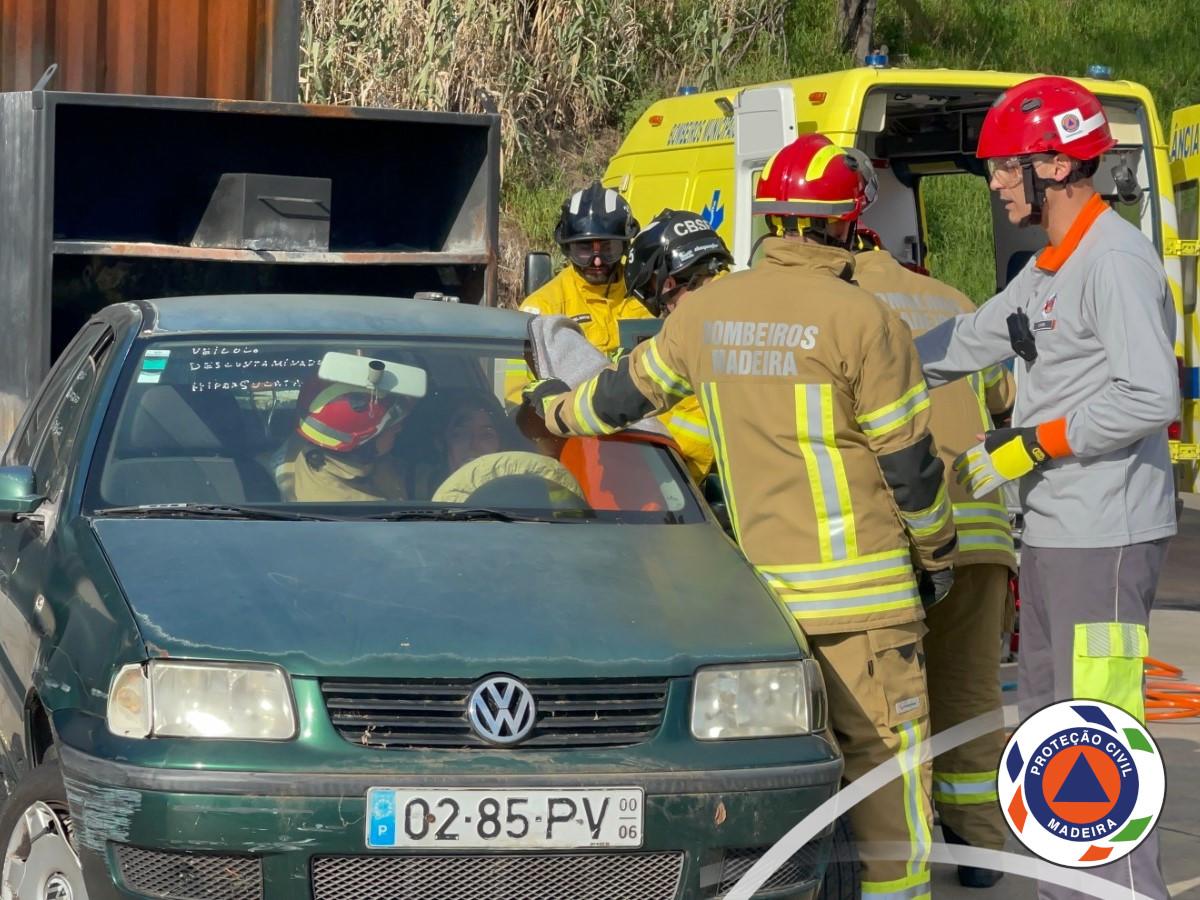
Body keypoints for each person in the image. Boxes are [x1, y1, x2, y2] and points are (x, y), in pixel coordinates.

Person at [525, 133, 957, 900]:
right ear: (847, 225)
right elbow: (912, 471)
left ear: (772, 220)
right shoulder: (867, 320)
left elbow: (619, 399)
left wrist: (550, 412)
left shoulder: (706, 315)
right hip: (867, 607)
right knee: (889, 781)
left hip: (761, 603)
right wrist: (938, 557)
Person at [915, 75, 1178, 900]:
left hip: (1108, 531)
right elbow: (966, 338)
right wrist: (855, 347)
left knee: (1093, 736)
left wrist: (1033, 444)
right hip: (1059, 532)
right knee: (1045, 727)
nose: (993, 183)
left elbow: (1150, 395)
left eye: (1004, 166)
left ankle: (1119, 891)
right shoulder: (1046, 272)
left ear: (1058, 163)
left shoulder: (1116, 262)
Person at [854, 226, 1017, 888]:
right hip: (983, 524)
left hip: (911, 534)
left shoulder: (842, 304)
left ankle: (906, 849)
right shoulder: (952, 298)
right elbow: (1005, 399)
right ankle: (980, 846)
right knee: (973, 687)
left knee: (898, 701)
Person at [505, 182, 654, 401]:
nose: (596, 260)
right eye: (584, 249)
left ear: (626, 246)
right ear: (566, 249)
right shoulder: (543, 308)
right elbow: (516, 392)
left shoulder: (651, 296)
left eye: (608, 248)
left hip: (650, 428)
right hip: (575, 430)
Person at [623, 209, 734, 480]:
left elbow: (696, 430)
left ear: (668, 281)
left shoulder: (700, 323)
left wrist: (652, 477)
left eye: (652, 290)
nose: (663, 309)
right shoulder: (739, 299)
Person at [275, 378, 409, 502]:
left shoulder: (303, 447)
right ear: (364, 442)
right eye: (390, 425)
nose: (399, 428)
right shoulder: (354, 504)